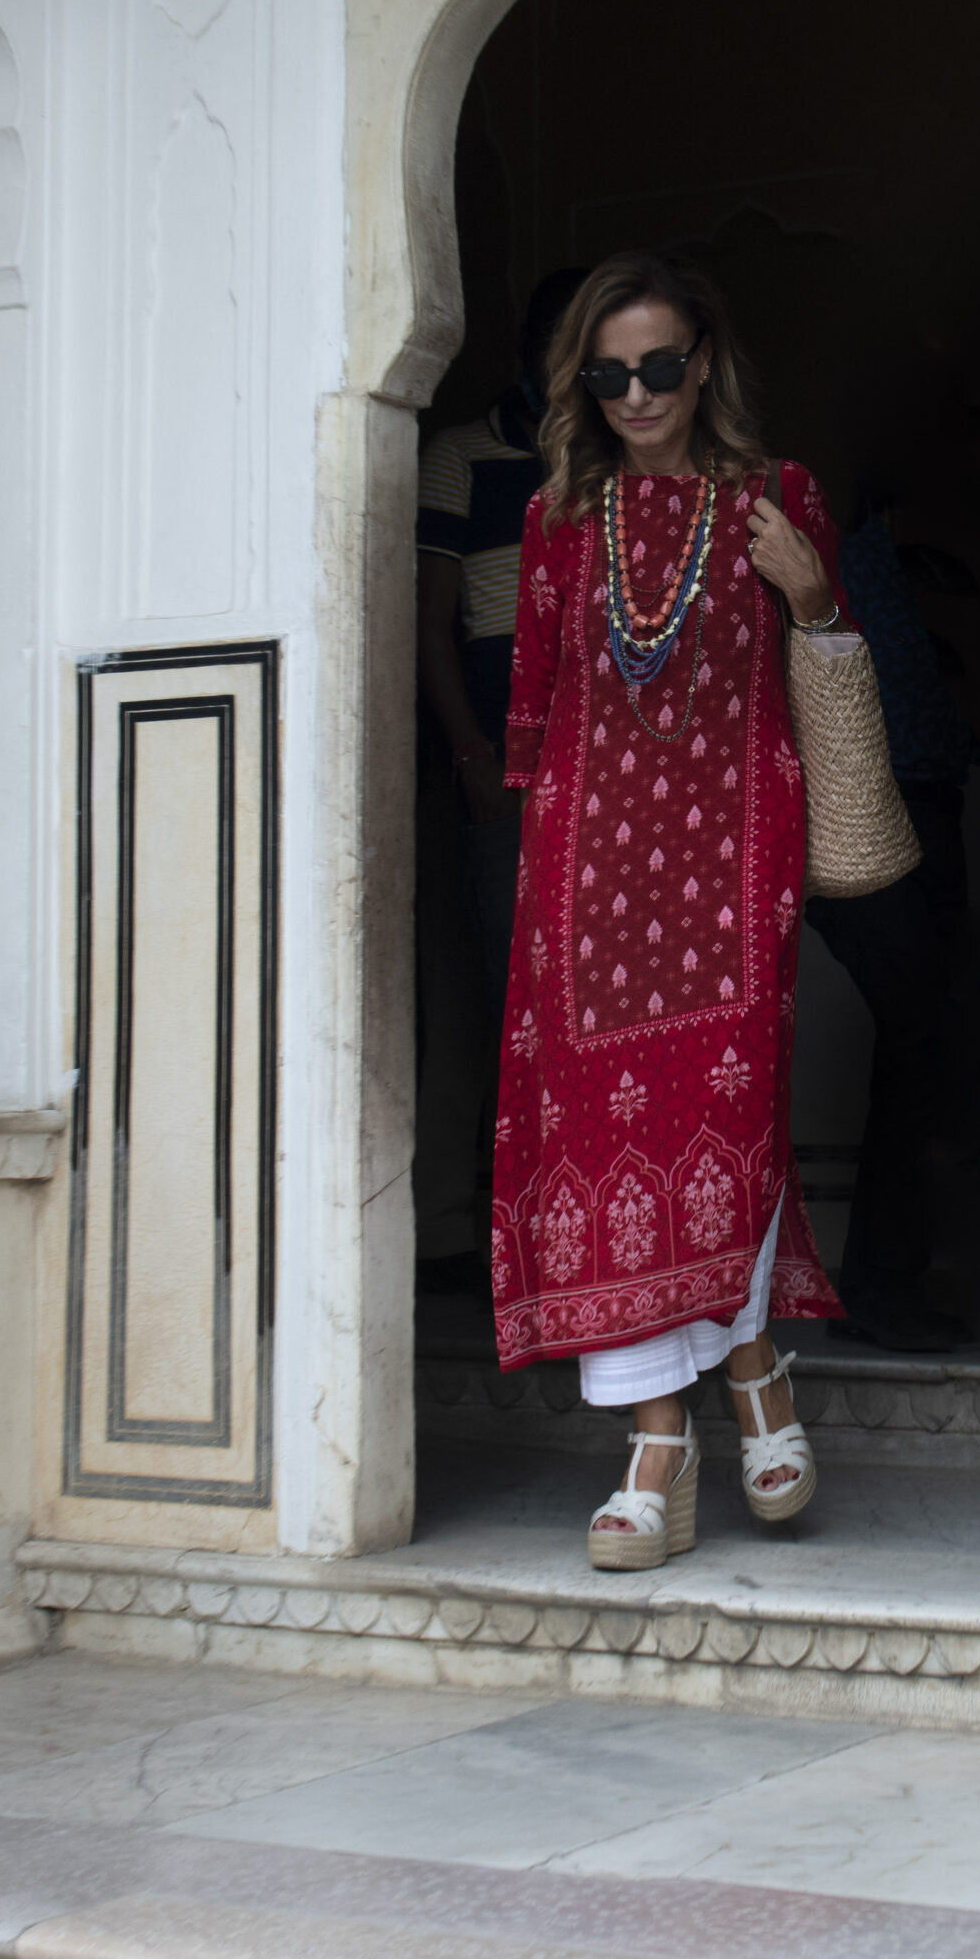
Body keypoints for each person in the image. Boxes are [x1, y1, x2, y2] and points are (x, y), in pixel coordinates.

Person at [490, 252, 847, 1569]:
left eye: (658, 366)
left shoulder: (774, 496)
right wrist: (546, 895)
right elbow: (535, 718)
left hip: (738, 855)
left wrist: (806, 587)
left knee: (725, 1119)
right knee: (601, 1146)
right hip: (588, 877)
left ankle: (749, 1370)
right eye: (608, 374)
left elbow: (831, 664)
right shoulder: (555, 522)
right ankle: (661, 1440)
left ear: (703, 363)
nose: (636, 395)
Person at [413, 266, 587, 1293]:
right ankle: (460, 1232)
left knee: (579, 1004)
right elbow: (431, 625)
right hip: (497, 773)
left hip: (598, 779)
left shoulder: (611, 459)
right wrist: (472, 754)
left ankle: (567, 1228)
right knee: (489, 994)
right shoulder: (459, 457)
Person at [805, 498, 976, 1351]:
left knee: (936, 1039)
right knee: (924, 1030)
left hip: (928, 793)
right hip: (857, 806)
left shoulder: (881, 525)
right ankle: (879, 1286)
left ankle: (888, 1280)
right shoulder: (791, 513)